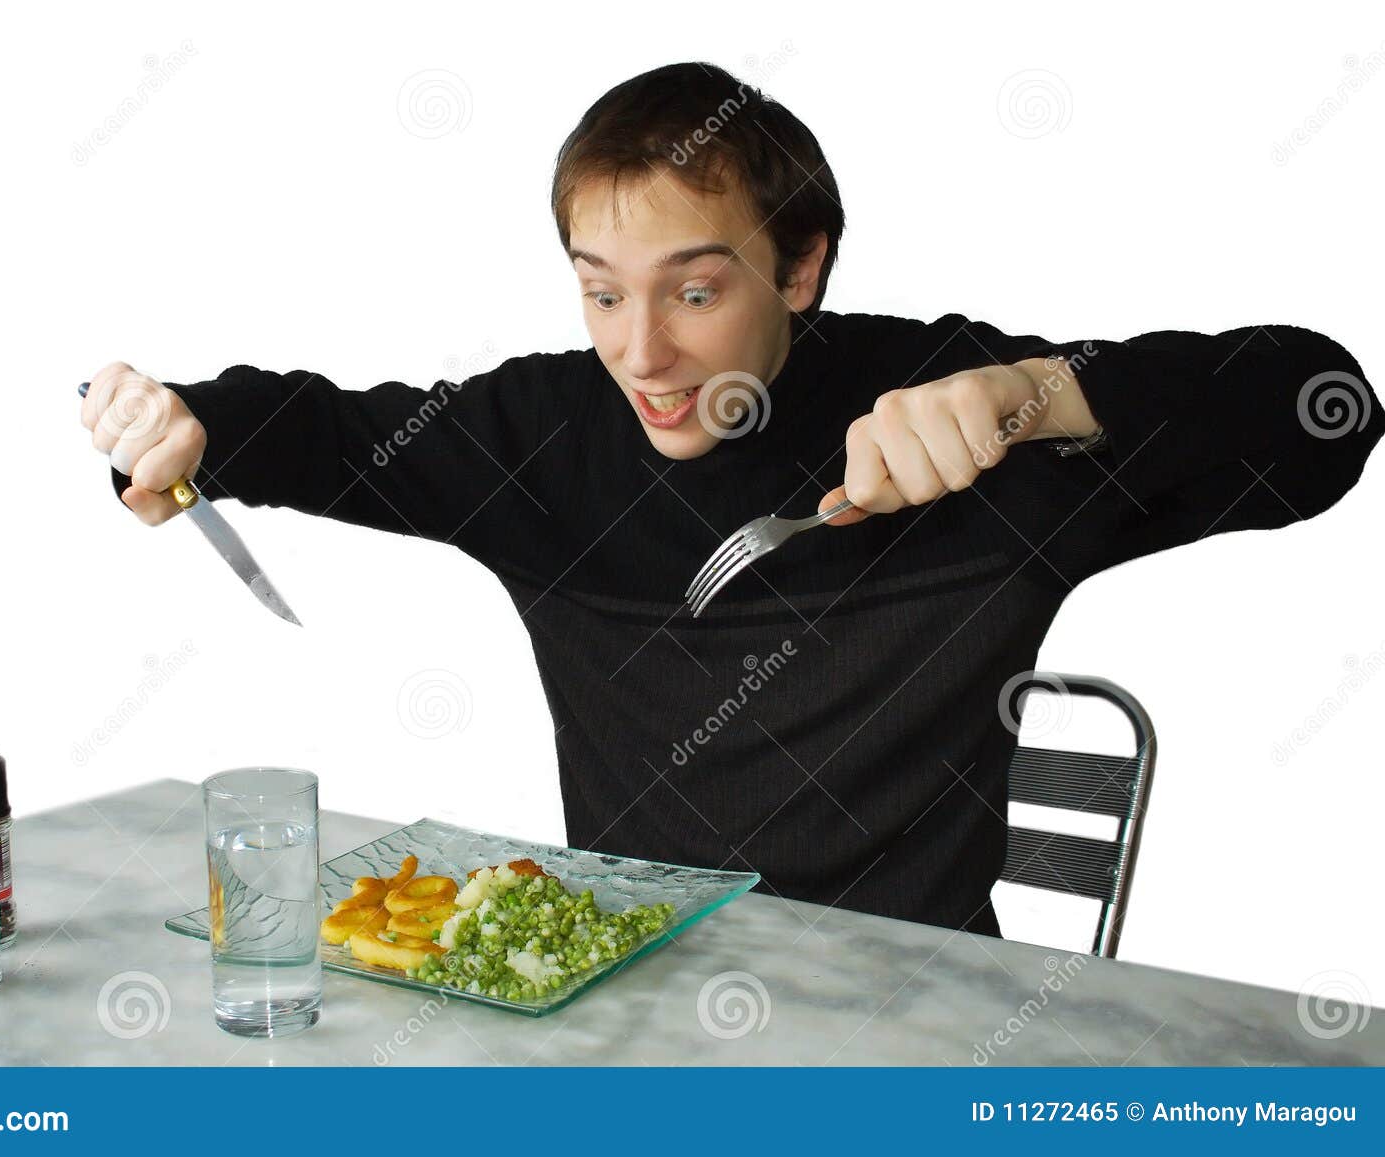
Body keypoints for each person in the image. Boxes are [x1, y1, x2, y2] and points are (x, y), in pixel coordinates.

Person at [77, 62, 1380, 939]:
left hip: (914, 1031)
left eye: (695, 291)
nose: (639, 352)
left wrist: (1037, 396)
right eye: (600, 289)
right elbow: (322, 431)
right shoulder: (541, 437)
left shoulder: (959, 412)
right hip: (628, 1001)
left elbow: (1325, 408)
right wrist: (185, 421)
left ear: (800, 265)